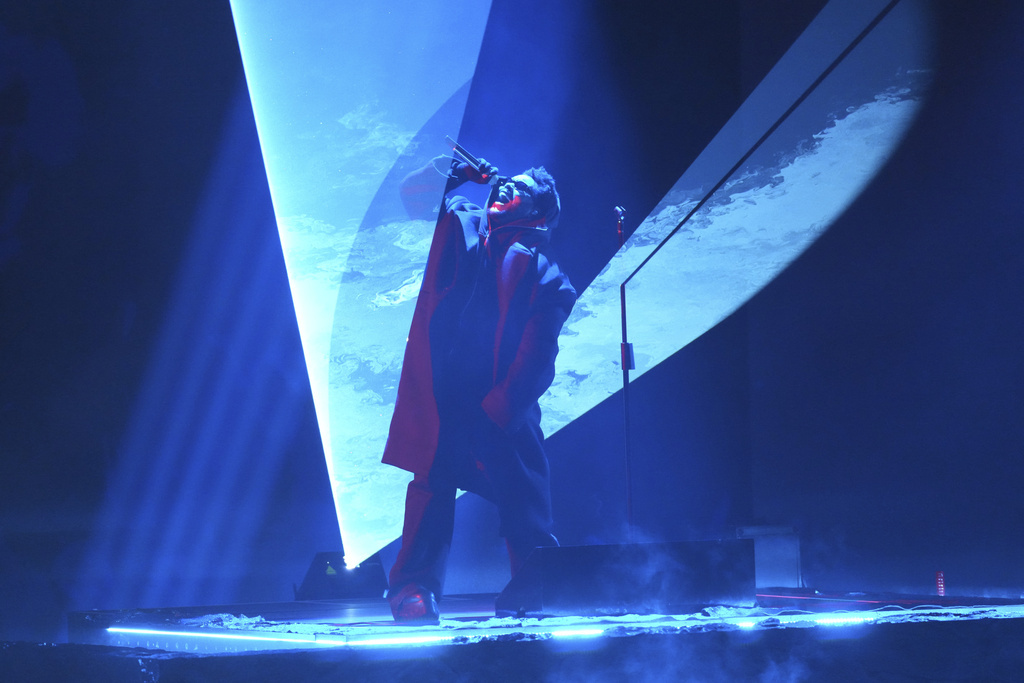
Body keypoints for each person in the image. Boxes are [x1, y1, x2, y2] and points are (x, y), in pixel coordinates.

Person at [382, 154, 576, 623]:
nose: (506, 188)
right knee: (431, 485)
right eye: (507, 182)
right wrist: (453, 172)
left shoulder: (548, 276)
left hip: (500, 402)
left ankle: (537, 582)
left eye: (521, 189)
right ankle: (414, 590)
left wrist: (499, 409)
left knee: (522, 494)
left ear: (538, 212)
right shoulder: (461, 224)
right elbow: (412, 198)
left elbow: (537, 358)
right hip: (443, 392)